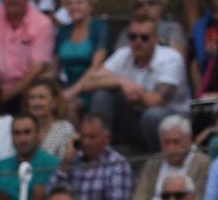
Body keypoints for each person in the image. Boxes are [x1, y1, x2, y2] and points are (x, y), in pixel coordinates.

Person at [77, 14, 190, 151]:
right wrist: (121, 82)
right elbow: (88, 83)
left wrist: (138, 92)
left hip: (172, 118)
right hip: (134, 117)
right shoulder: (123, 54)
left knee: (152, 115)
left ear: (156, 39)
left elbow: (155, 100)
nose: (137, 42)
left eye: (144, 37)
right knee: (103, 95)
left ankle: (157, 160)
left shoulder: (171, 58)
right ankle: (101, 153)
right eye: (132, 37)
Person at [51, 115, 135, 200]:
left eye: (92, 137)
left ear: (107, 138)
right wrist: (64, 165)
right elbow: (49, 197)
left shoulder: (118, 164)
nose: (86, 142)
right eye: (83, 137)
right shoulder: (72, 161)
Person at [133, 115, 211, 200]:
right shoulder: (154, 162)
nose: (171, 148)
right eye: (166, 142)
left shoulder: (202, 163)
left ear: (189, 140)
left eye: (176, 142)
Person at [55, 0, 112, 98]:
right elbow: (55, 66)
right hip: (67, 86)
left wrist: (72, 92)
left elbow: (96, 67)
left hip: (93, 88)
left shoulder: (100, 28)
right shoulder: (64, 30)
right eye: (69, 3)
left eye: (79, 2)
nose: (73, 7)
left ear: (91, 5)